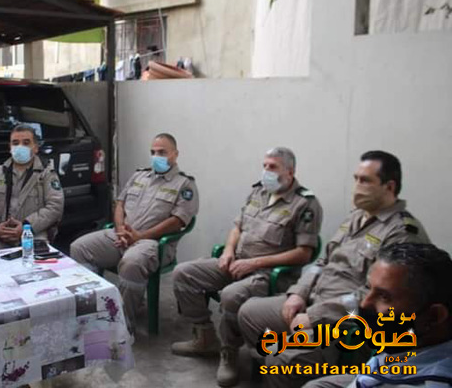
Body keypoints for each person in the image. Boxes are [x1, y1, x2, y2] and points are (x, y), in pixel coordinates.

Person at [237, 151, 431, 388]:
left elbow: (374, 297)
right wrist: (299, 293)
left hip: (345, 320)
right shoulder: (356, 217)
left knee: (282, 357)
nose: (356, 187)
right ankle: (277, 376)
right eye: (355, 179)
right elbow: (322, 262)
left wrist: (315, 316)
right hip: (313, 299)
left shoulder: (402, 233)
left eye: (365, 180)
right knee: (249, 312)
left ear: (389, 187)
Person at [171, 147, 323, 387]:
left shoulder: (305, 204)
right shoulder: (258, 192)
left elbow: (303, 253)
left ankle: (229, 352)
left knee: (231, 295)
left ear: (290, 171)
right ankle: (204, 336)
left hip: (268, 274)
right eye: (265, 166)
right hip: (236, 261)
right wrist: (229, 251)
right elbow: (237, 227)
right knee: (184, 273)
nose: (266, 171)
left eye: (273, 167)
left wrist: (254, 263)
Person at [70, 133, 199, 333]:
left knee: (132, 263)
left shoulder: (184, 185)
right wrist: (121, 229)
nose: (156, 157)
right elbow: (120, 204)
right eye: (153, 152)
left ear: (175, 154)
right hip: (122, 235)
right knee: (79, 248)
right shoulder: (140, 176)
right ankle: (93, 310)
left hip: (153, 243)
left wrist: (140, 236)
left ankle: (122, 324)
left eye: (162, 152)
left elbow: (178, 221)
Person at [305, 242, 452, 388]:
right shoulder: (407, 346)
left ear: (434, 316)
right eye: (368, 288)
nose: (364, 304)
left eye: (384, 297)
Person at [0, 124, 64, 251]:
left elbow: (55, 206)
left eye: (26, 143)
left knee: (37, 260)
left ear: (35, 147)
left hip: (33, 235)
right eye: (15, 143)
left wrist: (26, 227)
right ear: (10, 147)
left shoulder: (46, 173)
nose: (20, 147)